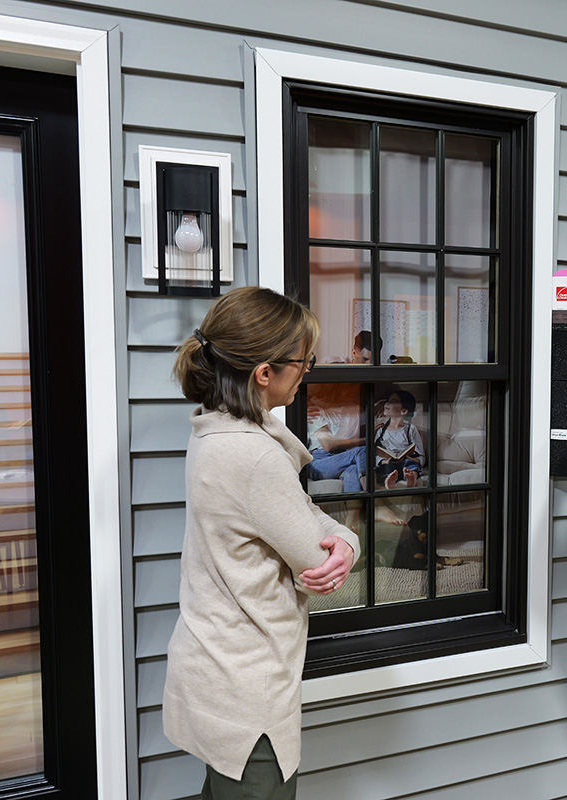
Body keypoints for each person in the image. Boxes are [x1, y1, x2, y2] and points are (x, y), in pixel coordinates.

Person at [163, 287, 360, 800]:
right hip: (247, 691)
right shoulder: (255, 458)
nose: (309, 370)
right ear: (264, 373)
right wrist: (346, 542)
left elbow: (298, 513)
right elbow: (315, 559)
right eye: (303, 360)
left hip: (213, 665)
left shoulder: (215, 431)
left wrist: (336, 533)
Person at [305, 331, 382, 489]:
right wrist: (366, 440)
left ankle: (354, 514)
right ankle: (377, 501)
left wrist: (383, 406)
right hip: (319, 462)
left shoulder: (355, 409)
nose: (353, 386)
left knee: (353, 470)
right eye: (365, 359)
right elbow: (328, 445)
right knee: (361, 452)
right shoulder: (317, 408)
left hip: (343, 457)